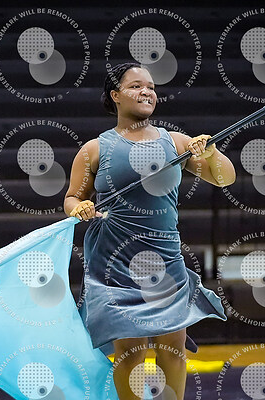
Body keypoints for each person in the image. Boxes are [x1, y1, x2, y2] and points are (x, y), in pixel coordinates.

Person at [64, 62, 236, 400]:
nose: (146, 92)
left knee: (173, 347)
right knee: (131, 351)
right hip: (115, 262)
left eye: (151, 87)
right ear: (115, 95)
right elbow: (72, 197)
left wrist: (212, 152)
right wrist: (79, 207)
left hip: (164, 259)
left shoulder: (177, 142)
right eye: (136, 86)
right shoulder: (94, 149)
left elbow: (224, 178)